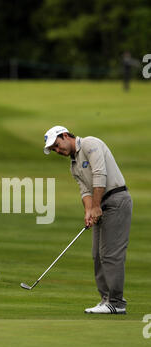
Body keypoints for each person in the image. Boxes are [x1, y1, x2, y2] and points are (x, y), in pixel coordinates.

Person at [43, 126, 132, 314]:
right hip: (101, 204)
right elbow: (85, 191)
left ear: (65, 135)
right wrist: (89, 211)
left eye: (57, 145)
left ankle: (116, 303)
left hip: (116, 200)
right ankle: (105, 300)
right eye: (54, 150)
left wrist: (96, 206)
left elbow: (100, 174)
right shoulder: (74, 165)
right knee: (97, 255)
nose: (58, 151)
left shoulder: (90, 144)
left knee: (110, 254)